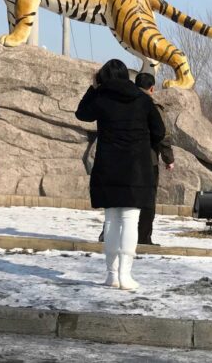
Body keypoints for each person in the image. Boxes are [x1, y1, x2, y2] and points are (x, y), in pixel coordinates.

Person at [75, 59, 165, 289]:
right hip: (136, 168)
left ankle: (111, 274)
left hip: (108, 167)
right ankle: (126, 275)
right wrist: (145, 145)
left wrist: (93, 88)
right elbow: (160, 131)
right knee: (130, 221)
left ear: (103, 78)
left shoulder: (102, 98)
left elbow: (81, 113)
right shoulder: (143, 99)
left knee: (111, 221)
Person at [133, 72, 175, 246]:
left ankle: (110, 234)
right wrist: (168, 158)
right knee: (147, 200)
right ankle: (143, 237)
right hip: (148, 160)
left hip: (123, 159)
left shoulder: (122, 103)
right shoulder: (153, 106)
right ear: (152, 88)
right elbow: (162, 135)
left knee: (122, 198)